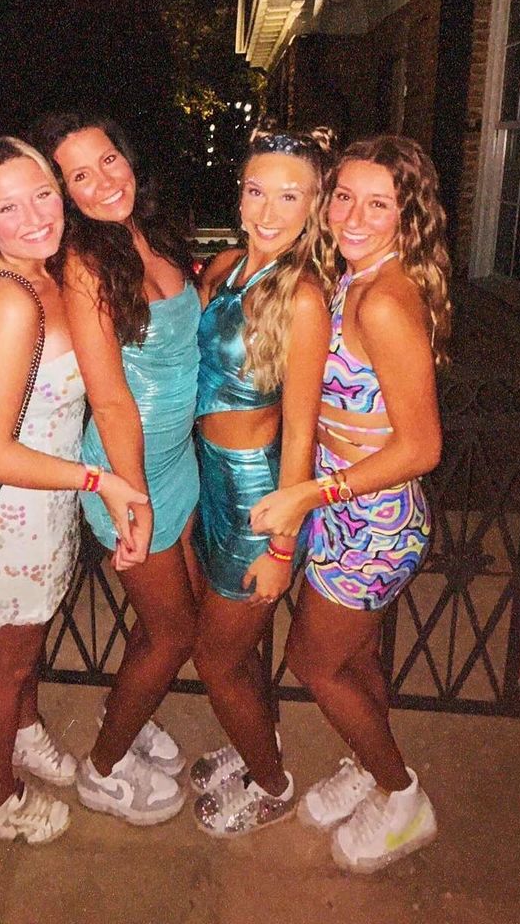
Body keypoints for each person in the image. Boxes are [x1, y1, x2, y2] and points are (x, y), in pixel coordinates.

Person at [250, 134, 450, 873]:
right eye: (344, 198)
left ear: (408, 216)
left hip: (374, 519)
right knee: (356, 655)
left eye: (379, 204)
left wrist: (310, 492)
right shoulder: (354, 277)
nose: (354, 217)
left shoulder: (387, 300)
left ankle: (402, 795)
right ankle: (369, 763)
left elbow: (421, 446)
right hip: (345, 508)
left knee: (313, 662)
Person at [0, 137, 147, 845]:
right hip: (12, 515)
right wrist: (98, 479)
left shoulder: (45, 275)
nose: (34, 217)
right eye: (7, 207)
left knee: (26, 644)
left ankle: (25, 734)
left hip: (44, 504)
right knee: (8, 664)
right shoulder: (9, 299)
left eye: (43, 195)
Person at [32, 112, 200, 825]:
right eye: (79, 175)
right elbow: (109, 398)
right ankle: (102, 768)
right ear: (65, 193)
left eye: (108, 160)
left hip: (178, 460)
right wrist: (132, 499)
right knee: (175, 633)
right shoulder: (86, 263)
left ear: (128, 156)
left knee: (165, 622)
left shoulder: (154, 234)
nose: (102, 182)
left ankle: (124, 710)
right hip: (130, 473)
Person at [188, 130, 332, 837]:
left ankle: (272, 785)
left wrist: (281, 547)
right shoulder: (224, 267)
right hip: (208, 479)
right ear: (239, 196)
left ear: (313, 207)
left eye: (289, 196)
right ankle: (256, 742)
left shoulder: (303, 298)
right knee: (235, 647)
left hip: (258, 499)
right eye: (256, 191)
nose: (269, 212)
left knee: (214, 660)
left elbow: (300, 432)